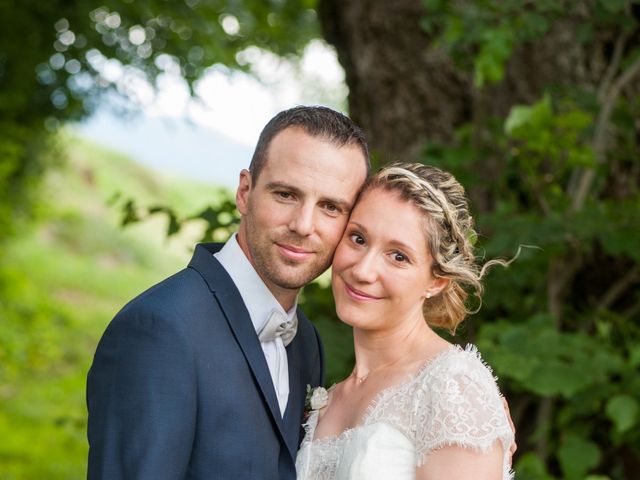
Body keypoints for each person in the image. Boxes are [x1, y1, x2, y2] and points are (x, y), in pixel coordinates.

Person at [86, 105, 370, 479]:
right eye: (286, 194)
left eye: (331, 207)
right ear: (244, 192)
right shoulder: (158, 329)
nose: (304, 225)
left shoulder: (306, 342)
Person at [296, 163, 515, 480]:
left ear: (436, 281)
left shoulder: (452, 387)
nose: (362, 271)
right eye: (358, 239)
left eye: (398, 256)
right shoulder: (328, 399)